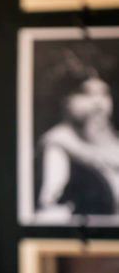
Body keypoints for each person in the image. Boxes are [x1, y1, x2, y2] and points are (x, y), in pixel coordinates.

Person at [36, 63, 119, 222]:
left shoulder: (114, 140)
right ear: (65, 100)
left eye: (104, 94)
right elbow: (49, 207)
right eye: (86, 93)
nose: (98, 102)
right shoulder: (57, 143)